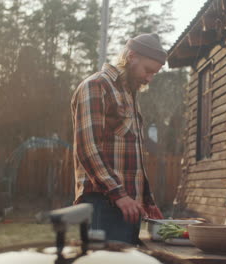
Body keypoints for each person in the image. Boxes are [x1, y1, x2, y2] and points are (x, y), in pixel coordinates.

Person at [71, 33, 165, 245]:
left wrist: (147, 199)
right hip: (102, 204)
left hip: (129, 205)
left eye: (154, 74)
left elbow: (134, 156)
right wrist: (118, 195)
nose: (149, 78)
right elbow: (87, 148)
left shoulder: (129, 94)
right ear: (131, 57)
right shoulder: (96, 85)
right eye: (148, 70)